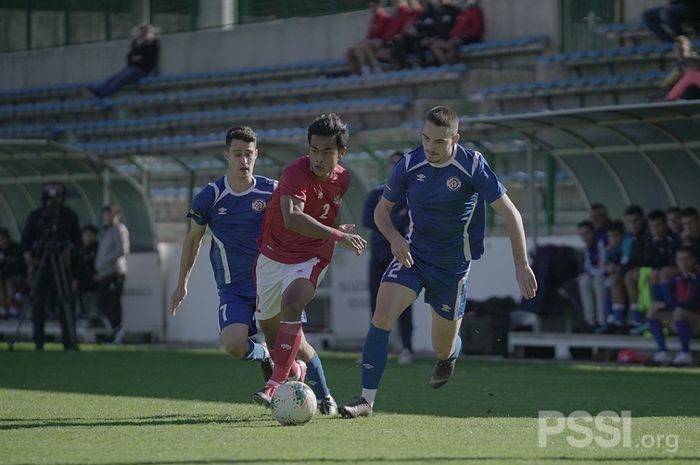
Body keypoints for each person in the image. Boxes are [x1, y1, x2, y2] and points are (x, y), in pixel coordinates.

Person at [339, 106, 537, 418]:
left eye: (439, 142)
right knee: (382, 315)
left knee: (441, 347)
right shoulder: (409, 163)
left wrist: (521, 263)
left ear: (455, 138)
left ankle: (449, 356)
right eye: (425, 138)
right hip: (413, 256)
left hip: (452, 268)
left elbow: (511, 213)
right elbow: (381, 211)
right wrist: (394, 238)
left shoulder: (472, 165)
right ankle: (366, 400)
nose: (430, 147)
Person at [252, 113, 367, 414]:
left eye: (327, 151)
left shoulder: (343, 178)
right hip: (272, 255)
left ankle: (274, 384)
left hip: (313, 255)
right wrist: (336, 234)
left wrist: (333, 236)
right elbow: (293, 218)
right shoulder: (295, 172)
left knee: (292, 303)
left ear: (341, 153)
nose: (318, 158)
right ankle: (314, 384)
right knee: (280, 341)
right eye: (314, 150)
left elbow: (330, 212)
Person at [169, 126, 275, 381]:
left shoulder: (272, 191)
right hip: (233, 286)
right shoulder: (210, 196)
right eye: (237, 154)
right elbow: (193, 239)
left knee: (295, 353)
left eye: (249, 154)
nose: (244, 160)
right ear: (226, 155)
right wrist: (182, 284)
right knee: (235, 345)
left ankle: (320, 395)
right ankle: (264, 356)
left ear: (256, 154)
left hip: (270, 284)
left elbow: (298, 219)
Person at [363, 151, 414, 363]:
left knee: (403, 303)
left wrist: (386, 219)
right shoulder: (376, 193)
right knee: (376, 303)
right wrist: (394, 219)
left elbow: (407, 220)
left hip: (401, 255)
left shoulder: (410, 194)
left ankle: (406, 348)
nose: (394, 167)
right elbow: (367, 219)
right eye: (391, 163)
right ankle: (377, 349)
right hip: (378, 254)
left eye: (398, 164)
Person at [22, 182, 81, 351]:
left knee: (65, 302)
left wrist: (69, 251)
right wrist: (29, 258)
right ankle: (38, 342)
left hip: (62, 265)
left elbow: (77, 241)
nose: (53, 203)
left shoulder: (69, 215)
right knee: (38, 303)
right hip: (41, 264)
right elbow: (25, 242)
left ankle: (69, 341)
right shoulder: (35, 216)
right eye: (49, 199)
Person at [646, 245, 700, 367]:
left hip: (696, 318)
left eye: (687, 259)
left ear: (694, 260)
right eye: (680, 259)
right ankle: (663, 351)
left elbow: (693, 303)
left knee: (679, 311)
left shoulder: (698, 278)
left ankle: (685, 353)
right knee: (653, 311)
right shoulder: (677, 278)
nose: (683, 263)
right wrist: (661, 305)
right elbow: (671, 300)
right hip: (682, 319)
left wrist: (667, 304)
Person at [88, 23, 159, 98]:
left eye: (145, 31)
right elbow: (129, 56)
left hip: (141, 71)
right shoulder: (139, 43)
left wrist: (138, 57)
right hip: (132, 68)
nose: (142, 32)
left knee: (120, 79)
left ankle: (103, 94)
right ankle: (99, 89)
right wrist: (136, 55)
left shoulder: (153, 43)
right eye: (141, 30)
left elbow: (148, 58)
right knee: (114, 77)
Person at [95, 204, 130, 342]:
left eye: (109, 213)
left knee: (112, 303)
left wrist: (105, 263)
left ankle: (118, 329)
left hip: (115, 272)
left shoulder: (119, 229)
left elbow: (122, 250)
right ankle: (113, 330)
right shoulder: (106, 231)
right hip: (105, 273)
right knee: (103, 302)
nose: (107, 217)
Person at [429, 0, 483, 66]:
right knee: (435, 45)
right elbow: (454, 30)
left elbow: (477, 29)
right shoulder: (461, 13)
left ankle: (454, 66)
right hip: (454, 38)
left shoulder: (474, 11)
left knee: (451, 44)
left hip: (467, 38)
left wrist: (462, 35)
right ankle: (446, 66)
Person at [576, 220, 607, 331]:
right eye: (582, 234)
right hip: (595, 274)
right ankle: (590, 321)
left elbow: (603, 267)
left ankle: (601, 321)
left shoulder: (601, 242)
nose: (585, 237)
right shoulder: (588, 247)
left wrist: (590, 273)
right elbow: (588, 266)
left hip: (607, 275)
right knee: (583, 281)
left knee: (598, 281)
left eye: (587, 233)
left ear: (593, 232)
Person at [346, 1, 391, 75]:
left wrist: (366, 41)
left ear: (379, 5)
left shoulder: (384, 16)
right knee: (350, 52)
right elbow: (369, 35)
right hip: (371, 42)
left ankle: (375, 67)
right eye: (370, 7)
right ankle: (361, 71)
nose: (371, 9)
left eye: (373, 6)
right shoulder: (373, 19)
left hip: (381, 41)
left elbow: (384, 35)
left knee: (362, 44)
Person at [72, 225, 100, 321]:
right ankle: (80, 311)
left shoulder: (98, 248)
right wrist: (75, 279)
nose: (87, 237)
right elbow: (78, 267)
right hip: (82, 279)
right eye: (85, 234)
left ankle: (93, 313)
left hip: (96, 277)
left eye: (90, 234)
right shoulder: (80, 251)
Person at [0, 228, 25, 319]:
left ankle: (12, 306)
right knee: (2, 282)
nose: (2, 241)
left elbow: (21, 267)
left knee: (8, 282)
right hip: (3, 277)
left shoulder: (16, 248)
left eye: (3, 238)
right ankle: (2, 306)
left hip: (17, 276)